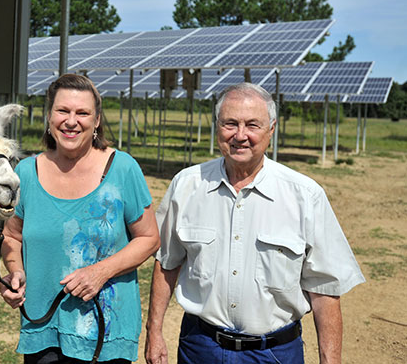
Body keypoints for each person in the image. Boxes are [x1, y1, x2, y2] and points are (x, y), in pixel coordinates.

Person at [145, 82, 365, 364]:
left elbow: (324, 289)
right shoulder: (187, 185)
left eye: (252, 125)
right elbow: (167, 263)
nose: (240, 135)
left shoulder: (304, 196)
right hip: (200, 347)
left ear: (271, 130)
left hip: (274, 352)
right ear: (216, 127)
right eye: (230, 123)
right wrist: (154, 332)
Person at [0, 74, 160, 364]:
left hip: (105, 335)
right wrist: (16, 272)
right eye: (62, 111)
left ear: (96, 121)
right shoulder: (25, 172)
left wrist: (100, 272)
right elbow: (12, 236)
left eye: (82, 113)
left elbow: (149, 238)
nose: (71, 121)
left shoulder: (122, 168)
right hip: (43, 328)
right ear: (50, 117)